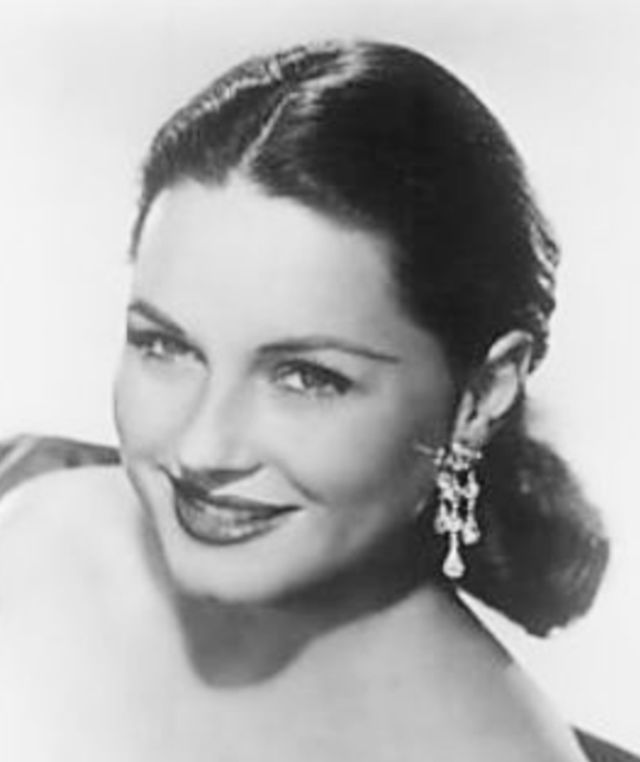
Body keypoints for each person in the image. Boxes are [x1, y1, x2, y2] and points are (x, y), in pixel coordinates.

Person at [0, 40, 635, 762]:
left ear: (482, 395)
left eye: (305, 377)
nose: (202, 449)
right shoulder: (27, 503)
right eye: (165, 345)